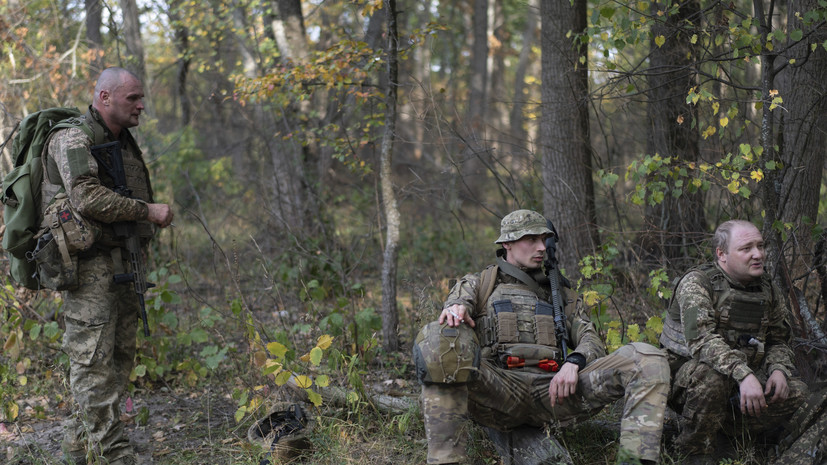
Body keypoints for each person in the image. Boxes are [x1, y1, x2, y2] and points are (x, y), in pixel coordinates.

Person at [413, 209, 669, 465]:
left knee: (647, 358)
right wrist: (456, 308)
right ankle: (447, 459)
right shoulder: (481, 283)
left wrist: (575, 361)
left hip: (554, 394)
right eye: (531, 240)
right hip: (499, 390)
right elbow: (458, 303)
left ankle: (635, 460)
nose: (541, 248)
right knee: (440, 337)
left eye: (544, 240)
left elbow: (590, 338)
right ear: (507, 243)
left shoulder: (561, 294)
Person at [42, 67, 174, 465]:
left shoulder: (122, 141)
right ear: (104, 97)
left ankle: (77, 448)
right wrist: (146, 211)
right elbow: (85, 198)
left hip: (124, 264)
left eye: (140, 97)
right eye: (132, 97)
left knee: (117, 363)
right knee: (92, 364)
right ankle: (115, 455)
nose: (141, 104)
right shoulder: (73, 137)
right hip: (89, 269)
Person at [660, 220, 807, 464]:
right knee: (712, 377)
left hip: (739, 383)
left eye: (760, 246)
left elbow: (778, 340)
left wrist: (778, 369)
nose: (758, 254)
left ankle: (732, 439)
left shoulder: (767, 288)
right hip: (685, 382)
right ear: (722, 254)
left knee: (797, 393)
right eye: (746, 248)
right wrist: (744, 374)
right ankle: (693, 452)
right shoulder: (697, 284)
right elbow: (701, 340)